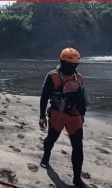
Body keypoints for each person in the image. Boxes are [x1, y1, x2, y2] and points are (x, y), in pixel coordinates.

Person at [39, 47, 89, 188]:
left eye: (75, 65)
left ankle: (77, 179)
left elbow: (81, 99)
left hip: (75, 116)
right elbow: (44, 97)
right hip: (57, 115)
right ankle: (46, 154)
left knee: (78, 147)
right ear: (62, 62)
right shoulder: (52, 77)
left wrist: (83, 114)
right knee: (51, 140)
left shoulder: (79, 78)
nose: (72, 67)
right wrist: (42, 116)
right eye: (69, 64)